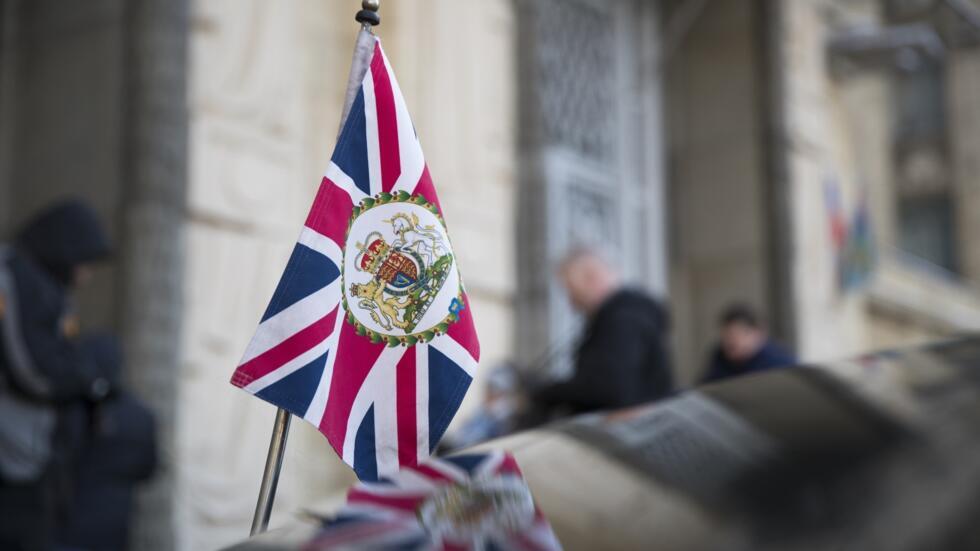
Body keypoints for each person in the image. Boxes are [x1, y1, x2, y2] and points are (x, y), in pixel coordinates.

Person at [0, 199, 113, 551]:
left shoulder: (51, 289)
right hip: (10, 451)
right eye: (84, 261)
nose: (86, 274)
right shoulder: (9, 276)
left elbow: (64, 352)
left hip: (35, 454)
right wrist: (83, 383)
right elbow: (29, 368)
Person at [532, 248, 673, 416]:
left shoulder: (623, 320)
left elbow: (606, 389)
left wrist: (545, 393)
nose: (571, 303)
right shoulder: (625, 315)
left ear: (592, 278)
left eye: (572, 291)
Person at [58, 336, 158, 551]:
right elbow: (148, 469)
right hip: (115, 525)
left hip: (71, 525)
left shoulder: (71, 408)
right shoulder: (141, 415)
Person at [700, 303, 796, 384]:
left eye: (739, 334)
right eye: (727, 336)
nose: (732, 341)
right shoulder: (720, 358)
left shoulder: (779, 363)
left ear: (759, 334)